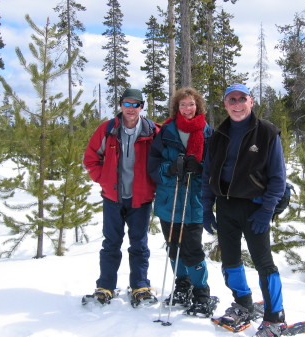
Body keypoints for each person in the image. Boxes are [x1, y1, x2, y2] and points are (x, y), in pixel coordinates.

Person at [202, 83, 287, 336]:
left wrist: (266, 210)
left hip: (255, 208)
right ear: (225, 104)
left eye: (242, 99)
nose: (237, 104)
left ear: (251, 101)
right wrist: (207, 207)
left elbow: (278, 177)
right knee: (230, 261)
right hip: (226, 206)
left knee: (264, 263)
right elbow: (208, 172)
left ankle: (275, 317)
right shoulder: (218, 135)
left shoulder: (267, 133)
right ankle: (243, 303)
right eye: (231, 100)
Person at [83, 88, 160, 307]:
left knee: (139, 244)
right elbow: (90, 158)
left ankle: (140, 286)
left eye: (136, 104)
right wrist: (104, 179)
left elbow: (165, 156)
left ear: (141, 107)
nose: (131, 109)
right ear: (120, 106)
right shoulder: (107, 130)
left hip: (140, 199)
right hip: (113, 198)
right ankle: (105, 286)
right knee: (111, 243)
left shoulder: (152, 130)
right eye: (127, 104)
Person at [147, 87, 216, 316]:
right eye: (183, 104)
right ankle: (182, 284)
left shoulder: (207, 133)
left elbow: (216, 166)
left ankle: (201, 292)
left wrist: (201, 167)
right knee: (174, 247)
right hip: (170, 198)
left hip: (194, 200)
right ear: (177, 107)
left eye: (192, 104)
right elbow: (153, 166)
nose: (188, 109)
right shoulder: (166, 132)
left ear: (198, 106)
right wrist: (171, 167)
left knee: (192, 250)